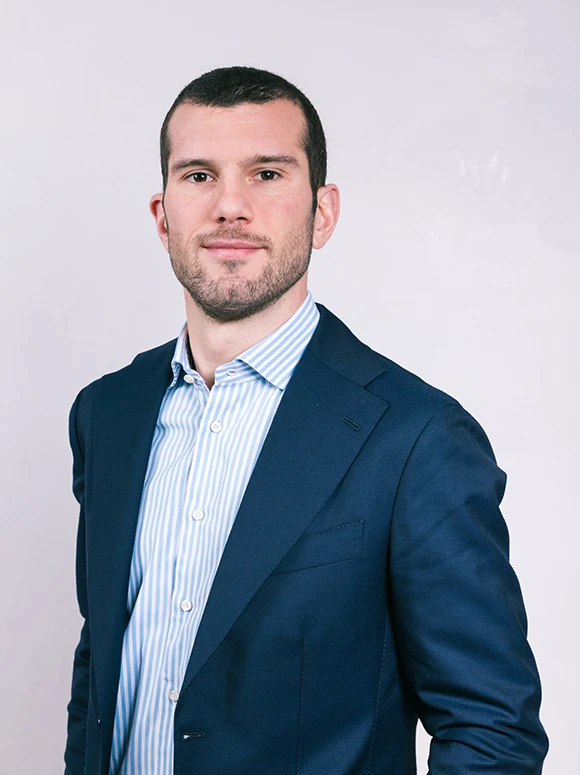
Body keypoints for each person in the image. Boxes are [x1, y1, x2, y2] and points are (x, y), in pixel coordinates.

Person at [64, 66, 548, 775]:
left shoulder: (418, 439)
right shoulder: (108, 413)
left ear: (323, 212)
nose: (230, 206)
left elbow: (491, 730)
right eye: (198, 175)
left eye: (266, 173)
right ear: (162, 213)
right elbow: (100, 668)